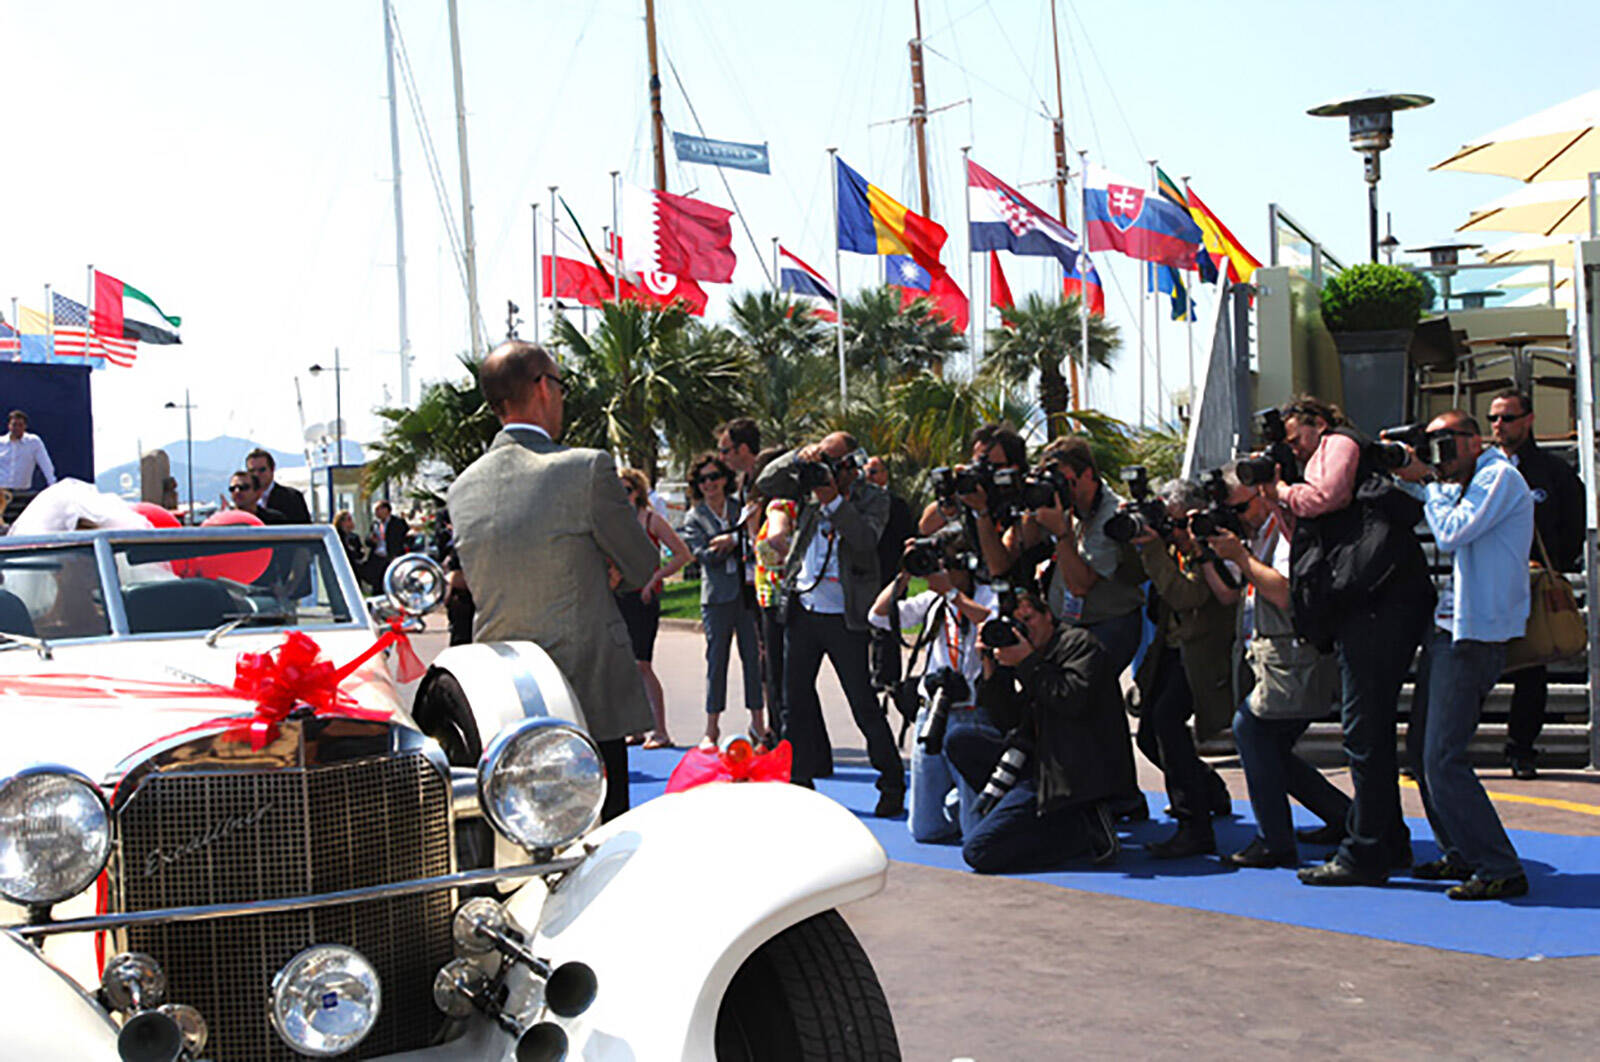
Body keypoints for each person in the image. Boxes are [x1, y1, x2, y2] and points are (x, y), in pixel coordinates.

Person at [447, 340, 659, 824]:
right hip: (584, 693)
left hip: (504, 697)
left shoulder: (463, 487)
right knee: (602, 841)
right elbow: (642, 564)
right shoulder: (584, 468)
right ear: (543, 387)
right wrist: (605, 567)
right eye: (561, 386)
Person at [1266, 395, 1433, 888]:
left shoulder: (1340, 443)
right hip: (1368, 605)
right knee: (1368, 731)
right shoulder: (1316, 459)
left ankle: (1366, 852)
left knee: (1364, 733)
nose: (1295, 449)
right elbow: (1308, 535)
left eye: (1296, 438)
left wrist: (1283, 489)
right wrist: (1279, 496)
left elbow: (1327, 498)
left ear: (1319, 423)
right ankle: (1387, 840)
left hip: (1380, 606)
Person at [1396, 411, 1533, 900]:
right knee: (1421, 753)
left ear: (1474, 441)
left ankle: (1500, 866)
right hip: (1448, 631)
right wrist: (1398, 467)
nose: (1439, 454)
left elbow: (1452, 531)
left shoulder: (1499, 477)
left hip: (1473, 637)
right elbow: (1428, 498)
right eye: (1431, 443)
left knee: (1443, 759)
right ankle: (1459, 850)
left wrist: (1428, 480)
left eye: (1446, 443)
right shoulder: (1464, 482)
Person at [1204, 465, 1352, 868]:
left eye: (1242, 507)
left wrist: (1241, 556)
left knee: (1251, 730)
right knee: (1267, 747)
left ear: (1263, 493)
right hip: (1267, 654)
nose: (1238, 516)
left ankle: (1275, 840)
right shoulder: (1256, 533)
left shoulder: (1289, 530)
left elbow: (1284, 592)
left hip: (1296, 657)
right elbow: (1230, 592)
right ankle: (1344, 817)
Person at [756, 431, 904, 814]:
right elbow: (765, 481)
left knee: (863, 704)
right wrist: (798, 457)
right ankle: (798, 782)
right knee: (792, 705)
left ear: (851, 465)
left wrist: (833, 501)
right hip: (803, 610)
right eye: (821, 460)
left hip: (846, 617)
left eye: (832, 462)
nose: (823, 470)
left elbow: (865, 539)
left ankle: (891, 783)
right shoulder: (806, 488)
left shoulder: (873, 498)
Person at [944, 588, 1128, 873]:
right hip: (1036, 762)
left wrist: (1027, 662)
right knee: (959, 740)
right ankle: (1042, 820)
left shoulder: (1079, 645)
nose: (1024, 628)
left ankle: (1077, 832)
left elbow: (1070, 700)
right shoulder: (1022, 653)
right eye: (1017, 623)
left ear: (1048, 615)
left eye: (1029, 618)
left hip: (1072, 771)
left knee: (978, 852)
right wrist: (991, 668)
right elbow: (1006, 720)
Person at [1128, 478, 1237, 858]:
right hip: (1173, 649)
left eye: (1176, 524)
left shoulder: (1213, 548)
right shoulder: (1173, 549)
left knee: (1167, 722)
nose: (1171, 532)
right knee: (1148, 735)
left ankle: (1194, 827)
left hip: (1202, 654)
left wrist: (1155, 550)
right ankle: (1209, 789)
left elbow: (1187, 595)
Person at [871, 540, 998, 843]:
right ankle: (958, 803)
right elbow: (877, 616)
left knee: (975, 834)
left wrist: (952, 594)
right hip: (931, 711)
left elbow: (991, 622)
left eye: (945, 566)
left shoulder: (986, 595)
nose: (936, 572)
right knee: (924, 830)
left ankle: (966, 803)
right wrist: (903, 576)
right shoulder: (932, 600)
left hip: (971, 713)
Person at [1487, 389, 1584, 779]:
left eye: (1507, 418)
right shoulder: (1481, 467)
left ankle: (1522, 749)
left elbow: (1572, 526)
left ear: (1528, 420)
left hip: (1533, 585)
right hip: (1486, 583)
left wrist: (1550, 566)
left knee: (1531, 672)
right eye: (1493, 418)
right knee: (1470, 669)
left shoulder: (1553, 472)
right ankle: (1442, 749)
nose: (1499, 425)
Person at [679, 453, 766, 749]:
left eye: (714, 477)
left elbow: (754, 543)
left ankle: (758, 725)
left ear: (725, 479)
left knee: (753, 659)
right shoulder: (694, 517)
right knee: (717, 662)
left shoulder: (739, 508)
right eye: (703, 479)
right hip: (716, 599)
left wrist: (732, 541)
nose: (709, 484)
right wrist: (733, 541)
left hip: (746, 594)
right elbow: (703, 556)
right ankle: (711, 729)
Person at [616, 466, 690, 749]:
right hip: (619, 596)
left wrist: (655, 579)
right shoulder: (615, 522)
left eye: (627, 490)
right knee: (624, 665)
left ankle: (660, 730)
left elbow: (682, 554)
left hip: (644, 598)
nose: (622, 496)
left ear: (638, 492)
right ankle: (635, 728)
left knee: (642, 664)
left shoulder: (651, 519)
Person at [750, 446, 795, 747]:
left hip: (778, 598)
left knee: (777, 673)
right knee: (777, 671)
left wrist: (783, 558)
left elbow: (776, 543)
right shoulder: (785, 506)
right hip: (771, 597)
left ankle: (779, 735)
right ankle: (780, 731)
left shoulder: (779, 506)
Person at [245, 448, 311, 524]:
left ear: (272, 469)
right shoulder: (244, 499)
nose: (256, 474)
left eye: (262, 470)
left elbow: (303, 528)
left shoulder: (292, 497)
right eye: (252, 471)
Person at [0, 410, 57, 491]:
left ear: (25, 426)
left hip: (22, 492)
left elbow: (46, 465)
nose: (17, 428)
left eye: (20, 425)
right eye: (14, 425)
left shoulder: (33, 442)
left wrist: (53, 485)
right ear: (9, 425)